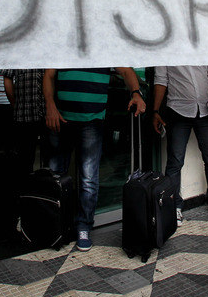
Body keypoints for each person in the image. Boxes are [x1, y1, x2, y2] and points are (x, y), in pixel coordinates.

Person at [44, 68, 145, 251]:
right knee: (55, 177)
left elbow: (126, 70)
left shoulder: (101, 45)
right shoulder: (63, 41)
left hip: (92, 121)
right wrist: (50, 106)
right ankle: (55, 227)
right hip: (60, 118)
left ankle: (83, 227)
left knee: (88, 177)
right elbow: (49, 75)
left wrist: (136, 93)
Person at [151, 66, 208, 227]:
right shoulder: (168, 48)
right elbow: (161, 80)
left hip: (206, 110)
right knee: (175, 162)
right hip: (178, 110)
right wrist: (155, 111)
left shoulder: (204, 45)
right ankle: (174, 206)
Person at [2, 69, 48, 173]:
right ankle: (26, 186)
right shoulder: (16, 53)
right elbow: (7, 78)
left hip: (47, 114)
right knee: (24, 160)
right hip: (24, 114)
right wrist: (14, 103)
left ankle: (47, 186)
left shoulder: (47, 53)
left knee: (48, 161)